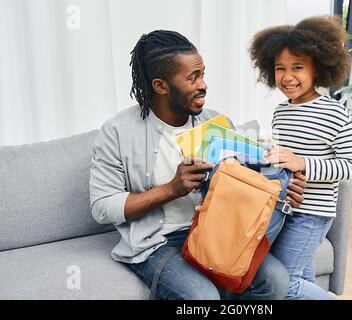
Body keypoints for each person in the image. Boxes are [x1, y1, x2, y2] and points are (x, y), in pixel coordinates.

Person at [89, 30, 307, 300]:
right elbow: (101, 207)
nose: (203, 85)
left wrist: (284, 192)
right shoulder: (118, 132)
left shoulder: (216, 125)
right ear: (161, 86)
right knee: (201, 297)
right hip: (158, 242)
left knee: (276, 280)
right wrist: (171, 189)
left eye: (203, 74)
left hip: (216, 231)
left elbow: (250, 186)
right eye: (193, 78)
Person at [249, 16, 352, 299]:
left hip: (312, 214)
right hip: (285, 210)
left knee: (286, 286)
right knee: (303, 278)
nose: (287, 77)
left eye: (297, 67)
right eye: (280, 69)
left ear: (318, 69)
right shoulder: (281, 112)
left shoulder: (335, 113)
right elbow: (284, 159)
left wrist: (304, 163)